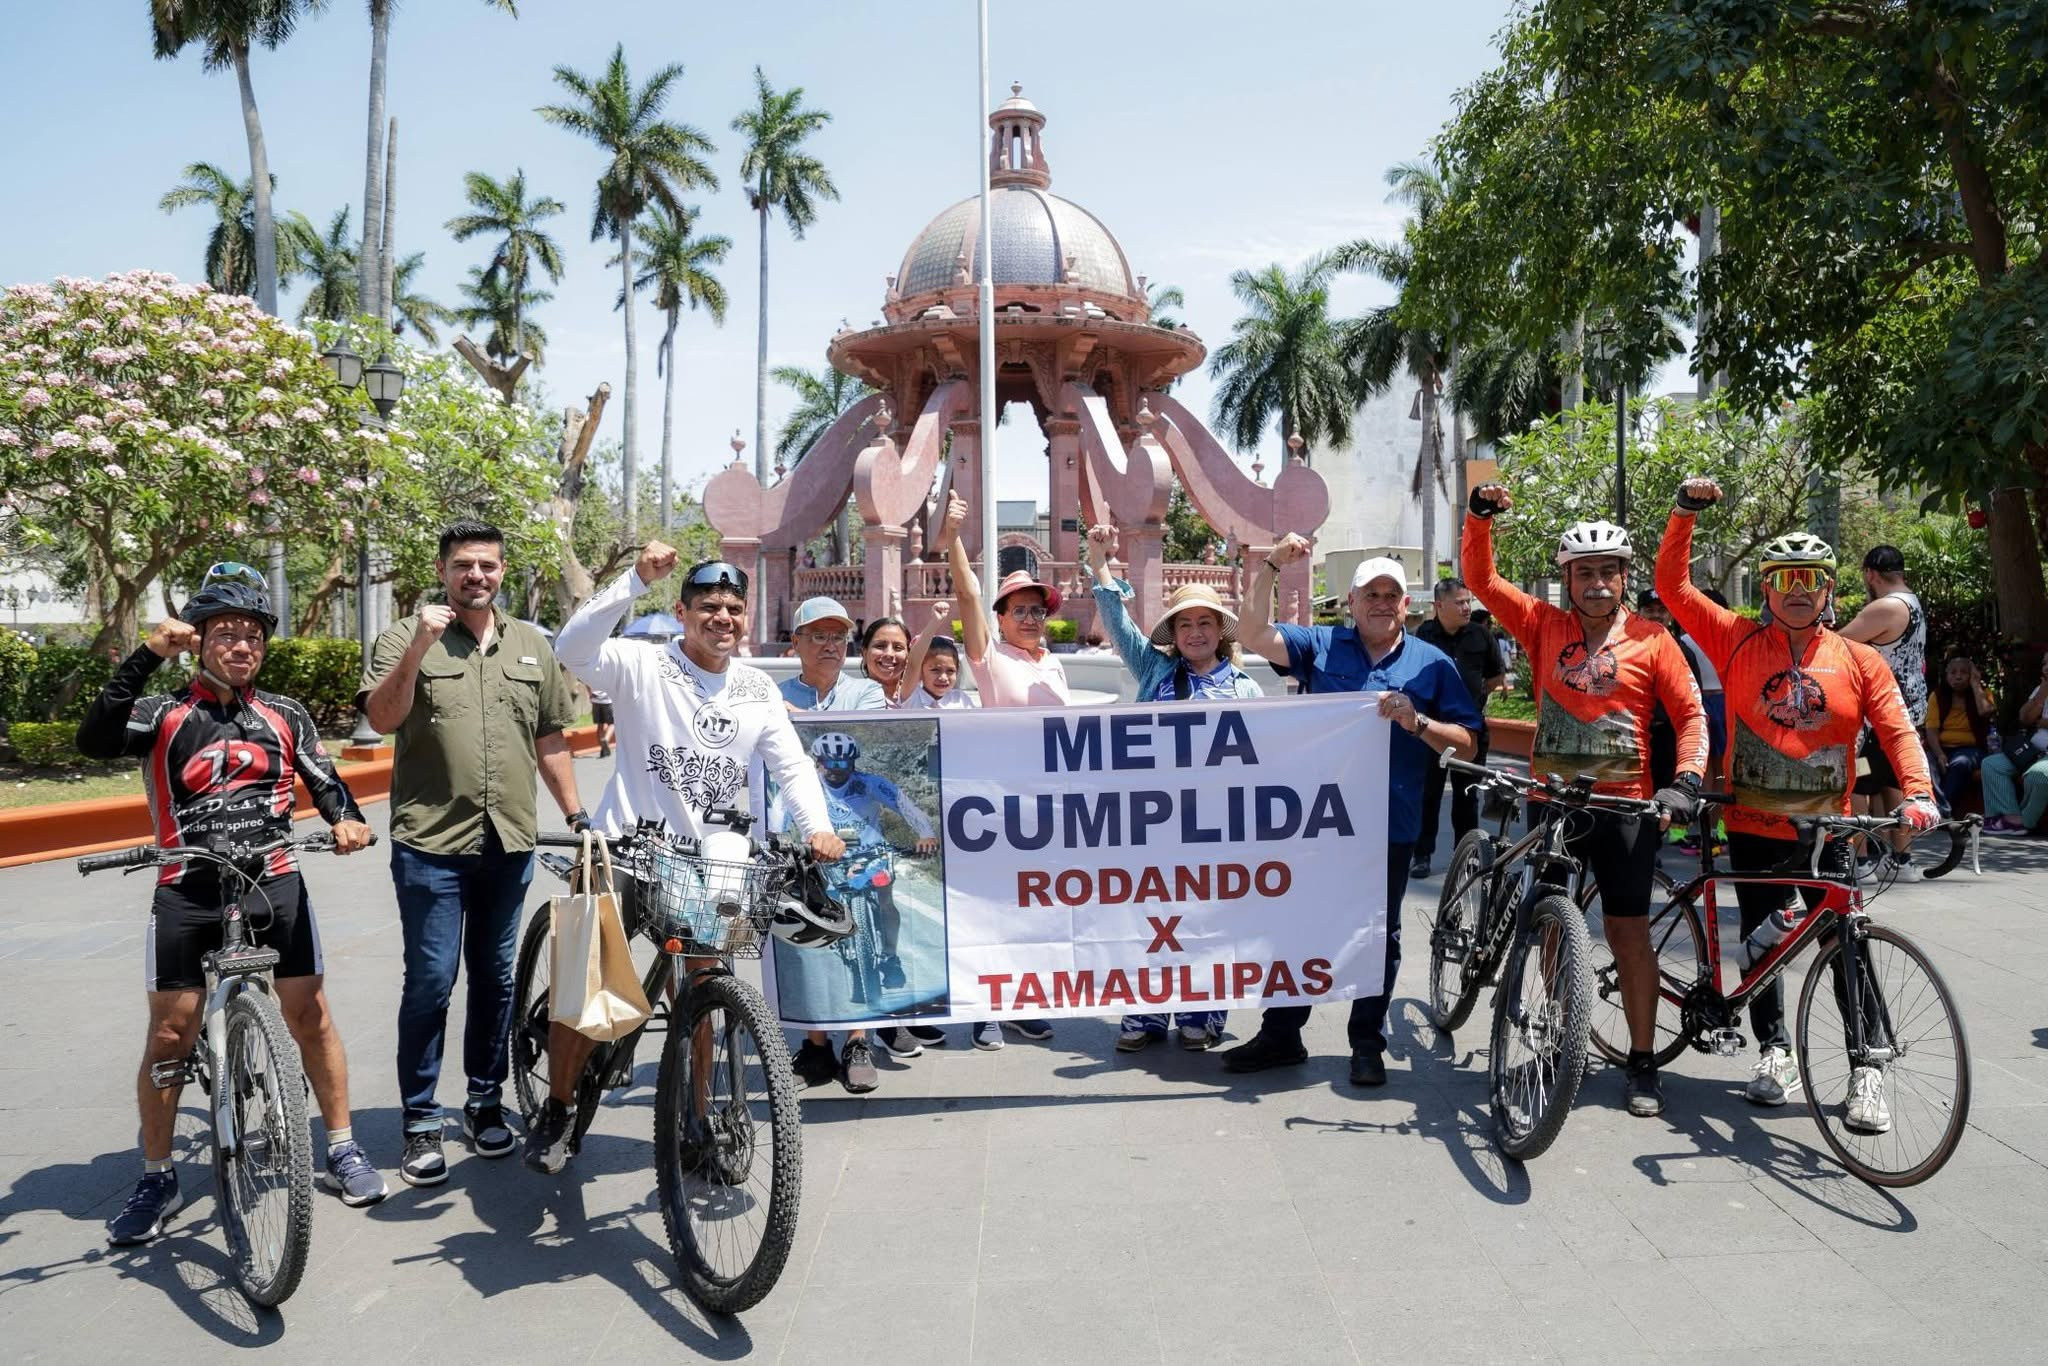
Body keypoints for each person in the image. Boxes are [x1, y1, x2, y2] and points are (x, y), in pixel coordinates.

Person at [80, 569, 384, 1244]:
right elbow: (95, 738)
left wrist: (347, 819)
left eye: (252, 636)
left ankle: (340, 1146)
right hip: (186, 886)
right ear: (199, 644)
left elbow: (326, 781)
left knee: (310, 1012)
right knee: (169, 1033)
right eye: (225, 634)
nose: (241, 646)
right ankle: (157, 1175)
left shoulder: (285, 712)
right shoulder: (162, 712)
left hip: (273, 879)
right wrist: (148, 653)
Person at [542, 546, 844, 1171]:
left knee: (708, 988)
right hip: (626, 847)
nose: (723, 618)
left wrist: (819, 828)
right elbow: (571, 649)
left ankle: (698, 1119)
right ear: (681, 612)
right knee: (585, 983)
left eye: (734, 608)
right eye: (708, 606)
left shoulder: (757, 687)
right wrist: (633, 582)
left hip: (715, 862)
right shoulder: (640, 664)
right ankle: (560, 1104)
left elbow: (791, 765)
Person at [1657, 479, 1937, 1127]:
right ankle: (1774, 1050)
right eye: (1786, 580)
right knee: (1762, 946)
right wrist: (1684, 514)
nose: (1800, 590)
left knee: (1846, 945)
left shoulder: (1859, 658)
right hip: (1753, 825)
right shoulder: (1733, 638)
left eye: (1812, 579)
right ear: (1767, 589)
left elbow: (1896, 728)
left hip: (1828, 830)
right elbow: (1674, 587)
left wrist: (1918, 793)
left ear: (1831, 589)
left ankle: (1866, 1067)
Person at [1464, 492, 1707, 1117]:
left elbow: (1690, 716)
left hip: (1628, 808)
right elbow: (1480, 580)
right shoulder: (1544, 625)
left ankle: (1643, 1061)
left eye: (1609, 571)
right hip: (1557, 803)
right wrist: (1479, 518)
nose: (1598, 583)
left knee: (1628, 933)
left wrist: (1685, 781)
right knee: (1552, 923)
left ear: (1625, 577)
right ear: (1567, 578)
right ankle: (1557, 1035)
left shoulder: (1654, 640)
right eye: (1585, 572)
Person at [359, 521, 586, 1187]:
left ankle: (484, 1101)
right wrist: (419, 647)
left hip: (508, 841)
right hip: (430, 842)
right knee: (431, 981)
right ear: (443, 568)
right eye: (463, 564)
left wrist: (576, 813)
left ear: (502, 570)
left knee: (496, 979)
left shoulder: (529, 646)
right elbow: (382, 718)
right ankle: (421, 1121)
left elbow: (550, 737)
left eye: (487, 564)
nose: (476, 575)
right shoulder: (408, 636)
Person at [1222, 543, 1480, 1086]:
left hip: (1389, 822)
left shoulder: (1433, 665)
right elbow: (1249, 634)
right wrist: (1269, 568)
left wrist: (1420, 724)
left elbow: (1469, 743)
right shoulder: (1321, 645)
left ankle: (1367, 1042)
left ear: (1406, 605)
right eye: (1371, 595)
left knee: (1377, 935)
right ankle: (1282, 1034)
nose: (1381, 604)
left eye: (1391, 595)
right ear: (1351, 603)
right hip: (1317, 822)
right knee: (1298, 924)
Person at [1085, 522, 1262, 1052]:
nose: (1195, 633)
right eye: (1185, 625)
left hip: (1215, 828)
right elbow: (1117, 623)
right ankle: (1144, 1013)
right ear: (1174, 633)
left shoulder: (1246, 690)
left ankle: (1202, 1011)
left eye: (1205, 623)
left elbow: (1269, 761)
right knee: (1148, 917)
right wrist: (1099, 563)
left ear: (1220, 630)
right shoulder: (1153, 672)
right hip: (1152, 826)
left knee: (1208, 919)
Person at [945, 490, 1064, 1045]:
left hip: (1046, 803)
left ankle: (1021, 999)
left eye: (1038, 610)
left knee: (1031, 907)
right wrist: (953, 540)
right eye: (1021, 609)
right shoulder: (990, 658)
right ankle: (983, 1005)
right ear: (1001, 617)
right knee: (990, 905)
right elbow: (968, 594)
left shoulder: (1054, 664)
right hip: (997, 802)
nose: (1032, 617)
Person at [776, 597, 888, 1088]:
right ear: (795, 643)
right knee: (805, 936)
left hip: (853, 836)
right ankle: (816, 1041)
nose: (829, 644)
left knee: (856, 929)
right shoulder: (771, 694)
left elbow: (859, 739)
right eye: (817, 635)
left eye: (838, 636)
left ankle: (858, 1038)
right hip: (794, 837)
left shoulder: (866, 694)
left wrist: (791, 720)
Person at [1838, 545, 1929, 879]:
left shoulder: (1887, 607)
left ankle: (1860, 860)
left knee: (1859, 785)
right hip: (1910, 708)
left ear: (1870, 574)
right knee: (1893, 783)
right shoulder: (1914, 602)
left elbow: (1837, 642)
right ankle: (1902, 859)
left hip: (1880, 711)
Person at [1412, 577, 1506, 880]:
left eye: (1468, 601)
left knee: (1467, 797)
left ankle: (1464, 857)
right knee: (1428, 795)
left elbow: (1494, 678)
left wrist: (1471, 703)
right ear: (1439, 605)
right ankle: (1422, 856)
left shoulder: (1481, 635)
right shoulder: (1422, 637)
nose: (1467, 607)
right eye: (1460, 602)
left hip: (1469, 732)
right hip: (1430, 732)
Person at [1982, 652, 2048, 836]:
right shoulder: (2042, 689)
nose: (2046, 667)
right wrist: (2043, 691)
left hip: (2044, 760)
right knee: (1991, 765)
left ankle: (2025, 821)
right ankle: (2007, 817)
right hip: (2034, 750)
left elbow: (2038, 721)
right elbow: (2025, 718)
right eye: (2044, 663)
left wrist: (2043, 722)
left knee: (2040, 775)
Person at [1924, 654, 1995, 814]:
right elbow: (1931, 729)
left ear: (1971, 676)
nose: (1958, 677)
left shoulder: (1983, 693)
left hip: (1971, 748)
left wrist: (1975, 685)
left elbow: (1985, 711)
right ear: (1946, 676)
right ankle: (1942, 810)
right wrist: (1940, 754)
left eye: (1964, 673)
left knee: (1960, 764)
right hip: (1941, 747)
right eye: (1953, 673)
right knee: (1928, 763)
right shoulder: (1937, 695)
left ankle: (1940, 812)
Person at [590, 686, 616, 758]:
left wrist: (590, 694)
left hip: (595, 700)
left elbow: (587, 683)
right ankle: (606, 739)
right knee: (612, 723)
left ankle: (603, 749)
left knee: (600, 725)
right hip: (607, 700)